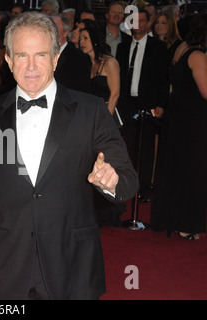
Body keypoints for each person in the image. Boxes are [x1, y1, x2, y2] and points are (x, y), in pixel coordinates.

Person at [0, 11, 138, 300]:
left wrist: (110, 180)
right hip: (11, 268)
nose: (31, 66)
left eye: (41, 55)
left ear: (56, 58)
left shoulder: (90, 110)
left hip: (73, 265)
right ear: (8, 60)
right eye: (22, 55)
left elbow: (128, 180)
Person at [151, 13, 207, 240]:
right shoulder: (197, 55)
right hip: (193, 121)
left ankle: (174, 220)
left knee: (176, 170)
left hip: (179, 117)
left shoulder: (181, 49)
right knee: (192, 172)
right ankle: (186, 224)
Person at [116, 9, 170, 203]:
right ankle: (126, 187)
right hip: (126, 104)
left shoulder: (158, 47)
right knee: (126, 148)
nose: (137, 24)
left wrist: (161, 105)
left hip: (148, 104)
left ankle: (145, 188)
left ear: (148, 23)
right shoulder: (123, 46)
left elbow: (164, 79)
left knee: (146, 149)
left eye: (141, 20)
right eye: (134, 20)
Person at [79, 24, 125, 226]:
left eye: (85, 38)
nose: (81, 42)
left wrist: (104, 123)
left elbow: (114, 94)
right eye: (80, 38)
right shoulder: (82, 64)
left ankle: (109, 213)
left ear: (95, 40)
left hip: (106, 120)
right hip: (85, 121)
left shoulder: (110, 62)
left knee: (106, 165)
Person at [52, 14, 92, 94]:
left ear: (65, 33)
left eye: (54, 27)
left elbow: (81, 90)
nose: (49, 30)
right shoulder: (40, 53)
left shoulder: (79, 57)